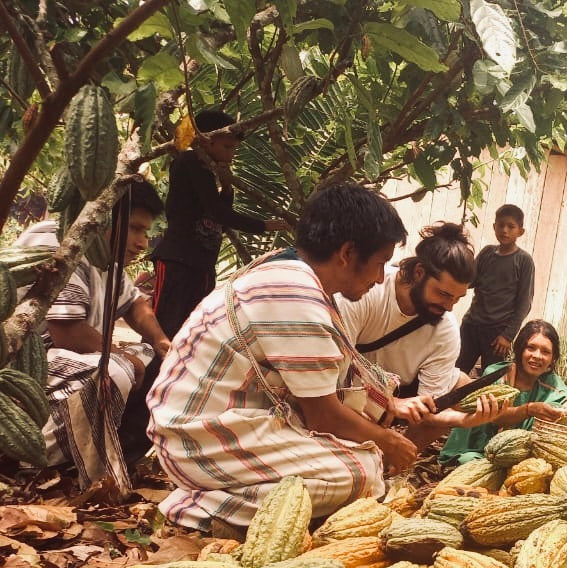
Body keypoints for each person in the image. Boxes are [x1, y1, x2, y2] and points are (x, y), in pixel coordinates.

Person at [147, 183, 504, 534]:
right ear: (347, 253)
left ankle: (227, 496)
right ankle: (200, 507)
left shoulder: (293, 273)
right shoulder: (295, 292)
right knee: (361, 474)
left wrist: (397, 410)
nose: (380, 277)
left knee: (362, 452)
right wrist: (388, 441)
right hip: (193, 435)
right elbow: (324, 413)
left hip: (221, 418)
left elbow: (342, 381)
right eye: (380, 263)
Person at [12, 180, 171, 481]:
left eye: (145, 232)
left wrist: (161, 341)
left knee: (154, 360)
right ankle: (31, 459)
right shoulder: (60, 242)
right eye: (136, 229)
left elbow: (135, 304)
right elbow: (67, 332)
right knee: (115, 372)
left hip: (57, 362)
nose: (142, 243)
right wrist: (124, 357)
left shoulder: (105, 258)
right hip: (20, 365)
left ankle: (114, 453)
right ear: (105, 216)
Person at [337, 222, 499, 449]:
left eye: (457, 299)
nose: (449, 306)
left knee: (459, 383)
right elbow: (334, 372)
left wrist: (464, 420)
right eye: (443, 294)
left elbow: (431, 410)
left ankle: (393, 461)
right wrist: (388, 401)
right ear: (419, 272)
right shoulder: (366, 292)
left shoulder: (445, 330)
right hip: (347, 385)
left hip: (403, 390)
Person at [150, 110, 288, 337]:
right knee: (166, 326)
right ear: (206, 140)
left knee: (192, 330)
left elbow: (218, 217)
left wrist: (227, 186)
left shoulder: (208, 170)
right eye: (227, 147)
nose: (231, 156)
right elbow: (218, 213)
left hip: (201, 262)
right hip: (179, 259)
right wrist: (264, 225)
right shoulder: (190, 161)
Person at [439, 319, 567, 465]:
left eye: (545, 352)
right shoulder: (497, 374)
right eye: (531, 348)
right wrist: (529, 409)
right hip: (479, 450)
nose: (537, 356)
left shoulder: (552, 382)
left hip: (518, 456)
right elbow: (495, 417)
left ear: (553, 358)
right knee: (470, 462)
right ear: (520, 349)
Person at [455, 204, 534, 376]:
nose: (505, 230)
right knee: (455, 370)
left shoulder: (523, 261)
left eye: (511, 226)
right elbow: (469, 281)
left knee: (490, 378)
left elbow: (524, 304)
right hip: (471, 325)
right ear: (494, 227)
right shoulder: (487, 253)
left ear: (520, 232)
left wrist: (508, 335)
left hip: (498, 334)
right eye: (501, 225)